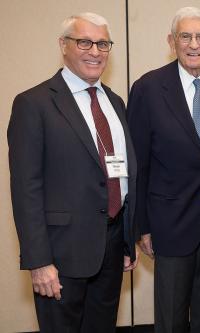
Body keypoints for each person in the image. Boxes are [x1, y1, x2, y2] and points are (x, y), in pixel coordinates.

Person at [8, 12, 138, 333]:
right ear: (63, 45)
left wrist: (125, 240)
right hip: (60, 255)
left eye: (103, 43)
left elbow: (120, 172)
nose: (95, 51)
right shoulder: (33, 104)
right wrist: (39, 261)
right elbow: (26, 189)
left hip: (110, 245)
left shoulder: (115, 102)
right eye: (84, 42)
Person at [127, 6, 200, 333]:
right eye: (185, 36)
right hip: (169, 223)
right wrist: (142, 227)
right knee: (171, 317)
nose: (194, 44)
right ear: (172, 41)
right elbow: (139, 164)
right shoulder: (148, 88)